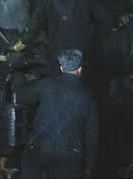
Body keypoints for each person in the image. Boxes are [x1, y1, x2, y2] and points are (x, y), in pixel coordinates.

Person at [12, 0, 114, 69]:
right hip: (82, 55)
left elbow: (34, 22)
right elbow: (107, 19)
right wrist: (117, 24)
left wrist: (21, 43)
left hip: (58, 56)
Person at [11, 49, 98, 178]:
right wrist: (87, 167)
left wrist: (17, 75)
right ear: (80, 70)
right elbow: (92, 137)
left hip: (40, 149)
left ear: (62, 68)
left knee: (30, 167)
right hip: (69, 154)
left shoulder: (46, 85)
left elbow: (22, 96)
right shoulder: (88, 97)